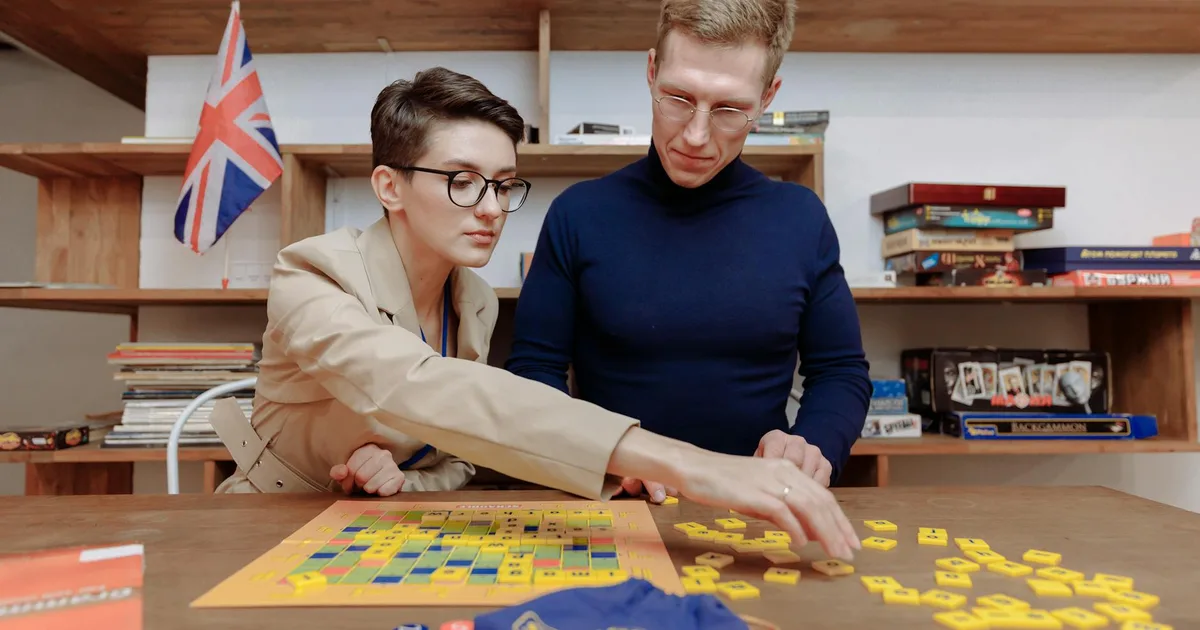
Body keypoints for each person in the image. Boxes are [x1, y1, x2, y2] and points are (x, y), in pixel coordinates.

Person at [209, 66, 860, 561]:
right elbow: (419, 386)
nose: (491, 208)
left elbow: (458, 455)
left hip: (374, 534)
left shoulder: (475, 300)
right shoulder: (309, 273)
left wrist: (398, 483)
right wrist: (691, 463)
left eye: (503, 184)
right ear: (389, 185)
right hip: (261, 528)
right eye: (463, 181)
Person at [505, 0, 872, 501]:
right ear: (651, 71)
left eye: (729, 110)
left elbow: (839, 371)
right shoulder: (578, 214)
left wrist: (811, 446)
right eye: (677, 98)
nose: (696, 136)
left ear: (767, 97)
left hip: (757, 505)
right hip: (616, 504)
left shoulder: (801, 218)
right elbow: (533, 373)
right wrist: (598, 457)